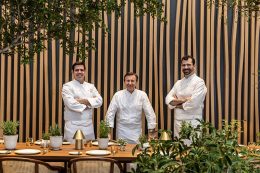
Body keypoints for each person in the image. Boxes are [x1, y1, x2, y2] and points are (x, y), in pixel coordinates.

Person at [106, 72, 157, 144]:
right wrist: (108, 133)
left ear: (136, 82)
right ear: (124, 82)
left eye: (132, 81)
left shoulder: (142, 95)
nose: (130, 83)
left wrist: (151, 134)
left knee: (136, 153)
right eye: (128, 81)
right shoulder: (118, 95)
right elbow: (110, 114)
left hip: (136, 131)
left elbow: (150, 114)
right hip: (121, 131)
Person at [165, 55, 207, 139]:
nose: (186, 67)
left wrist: (176, 103)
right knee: (179, 150)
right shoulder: (178, 83)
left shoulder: (199, 82)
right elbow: (167, 99)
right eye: (183, 65)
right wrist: (184, 100)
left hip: (193, 123)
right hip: (178, 123)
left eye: (188, 65)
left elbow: (194, 103)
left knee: (193, 150)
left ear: (194, 66)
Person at [62, 61, 103, 143]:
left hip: (88, 126)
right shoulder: (67, 86)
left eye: (81, 70)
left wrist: (81, 100)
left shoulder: (91, 86)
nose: (79, 72)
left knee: (89, 150)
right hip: (72, 126)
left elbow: (99, 101)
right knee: (71, 151)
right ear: (72, 72)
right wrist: (90, 103)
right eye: (77, 70)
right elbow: (71, 104)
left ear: (85, 71)